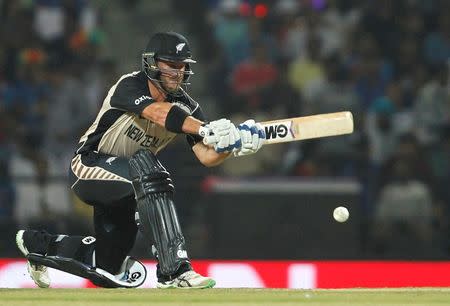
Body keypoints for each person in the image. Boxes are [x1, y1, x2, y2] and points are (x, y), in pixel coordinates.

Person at [15, 32, 265, 289]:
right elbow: (159, 113)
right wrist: (205, 129)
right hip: (89, 167)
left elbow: (206, 156)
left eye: (182, 66)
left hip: (128, 184)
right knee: (152, 173)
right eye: (171, 65)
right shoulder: (130, 84)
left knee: (109, 267)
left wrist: (231, 146)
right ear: (152, 64)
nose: (177, 73)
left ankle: (37, 244)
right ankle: (174, 271)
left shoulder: (189, 108)